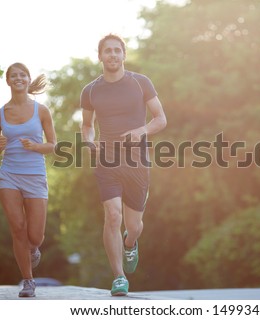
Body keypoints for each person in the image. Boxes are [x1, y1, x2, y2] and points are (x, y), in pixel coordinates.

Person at [80, 34, 167, 296]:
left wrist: (141, 131)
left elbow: (160, 119)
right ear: (100, 56)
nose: (113, 55)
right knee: (113, 215)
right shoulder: (91, 90)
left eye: (118, 50)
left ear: (124, 55)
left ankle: (131, 243)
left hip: (137, 161)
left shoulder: (141, 83)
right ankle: (119, 277)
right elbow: (86, 125)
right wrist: (89, 142)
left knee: (134, 226)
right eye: (108, 51)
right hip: (107, 158)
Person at [0, 62, 57, 298]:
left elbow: (53, 146)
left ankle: (34, 248)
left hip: (35, 175)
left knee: (35, 236)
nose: (18, 78)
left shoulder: (42, 111)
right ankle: (28, 281)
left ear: (28, 79)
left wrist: (36, 146)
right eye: (13, 76)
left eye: (22, 75)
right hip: (9, 175)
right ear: (8, 81)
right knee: (17, 228)